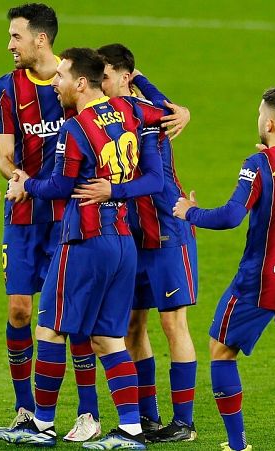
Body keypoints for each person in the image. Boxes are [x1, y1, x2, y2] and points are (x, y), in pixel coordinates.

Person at [0, 47, 167, 450]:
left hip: (84, 241)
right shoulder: (131, 110)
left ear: (82, 83)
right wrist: (118, 190)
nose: (56, 83)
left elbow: (60, 186)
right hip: (123, 241)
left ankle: (41, 425)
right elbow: (160, 145)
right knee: (107, 338)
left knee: (50, 329)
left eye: (62, 77)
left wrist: (24, 184)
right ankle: (130, 430)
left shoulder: (74, 129)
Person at [173, 87, 275, 451]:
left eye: (261, 114)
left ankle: (237, 444)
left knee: (221, 350)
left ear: (271, 123)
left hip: (262, 280)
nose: (259, 120)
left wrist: (189, 212)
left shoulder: (259, 164)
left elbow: (231, 216)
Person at [75, 43, 199, 442]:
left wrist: (156, 89)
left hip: (167, 230)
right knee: (132, 325)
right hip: (131, 236)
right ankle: (147, 417)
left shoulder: (147, 112)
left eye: (107, 77)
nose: (101, 84)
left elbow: (169, 110)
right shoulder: (111, 115)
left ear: (125, 78)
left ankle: (184, 423)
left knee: (172, 322)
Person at [0, 3, 101, 441]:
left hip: (70, 218)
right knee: (19, 310)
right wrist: (16, 176)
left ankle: (88, 412)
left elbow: (124, 82)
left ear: (41, 39)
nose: (10, 45)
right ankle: (26, 410)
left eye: (16, 36)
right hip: (23, 215)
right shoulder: (5, 89)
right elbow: (4, 154)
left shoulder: (75, 81)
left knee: (72, 313)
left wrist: (179, 111)